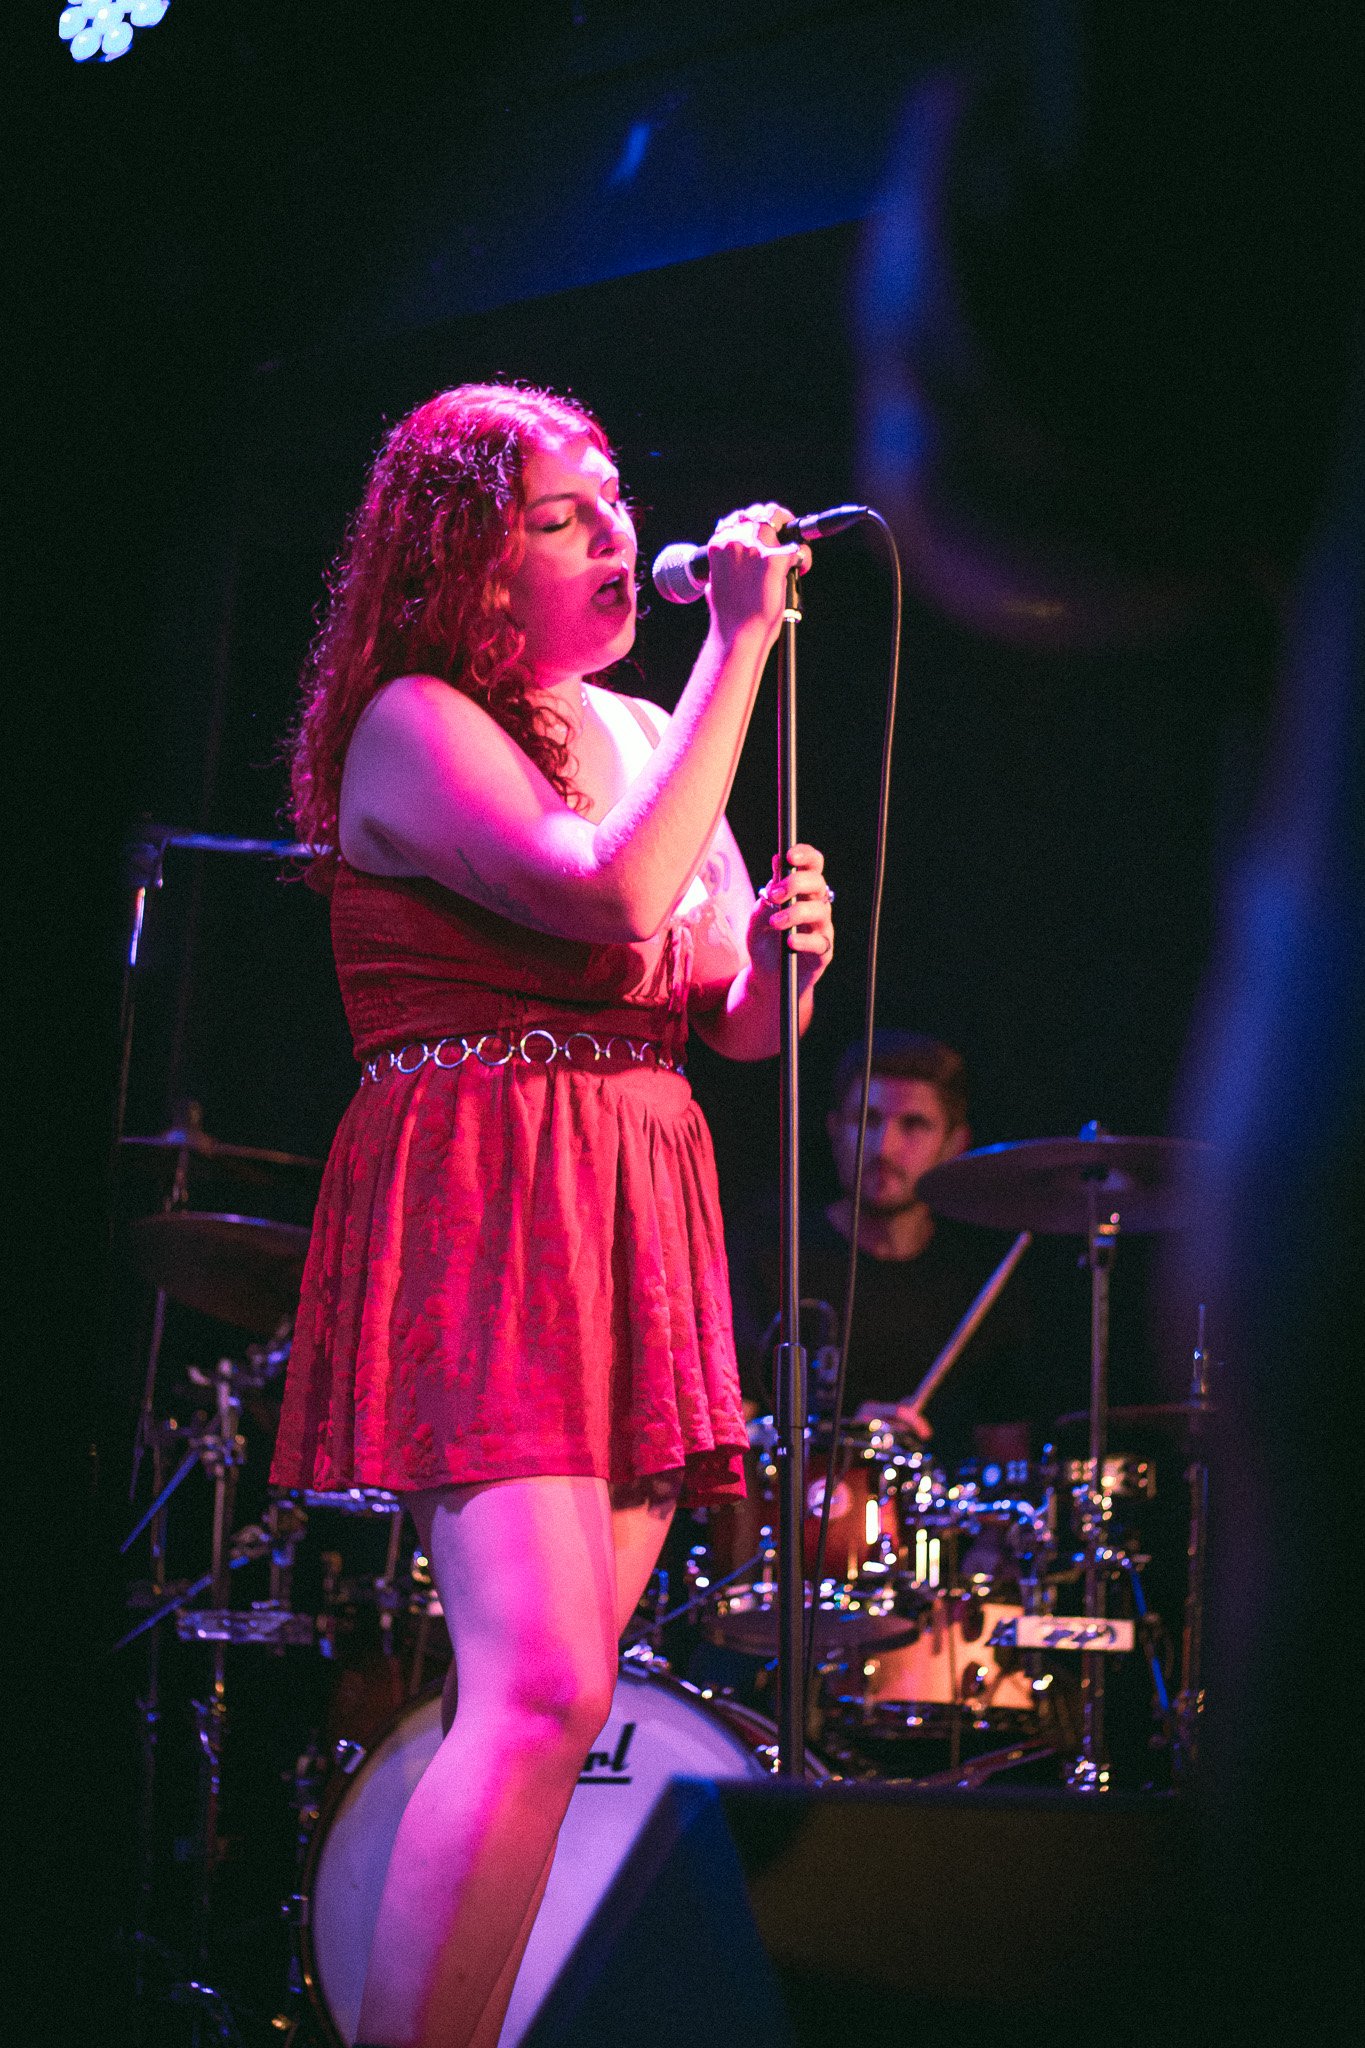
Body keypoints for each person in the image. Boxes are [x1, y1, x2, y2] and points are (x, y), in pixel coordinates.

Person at [268, 382, 835, 2048]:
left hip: (634, 1190)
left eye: (613, 500)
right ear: (469, 558)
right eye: (560, 514)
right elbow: (608, 889)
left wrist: (783, 968)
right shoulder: (415, 721)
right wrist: (743, 642)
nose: (614, 533)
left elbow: (727, 1016)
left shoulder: (652, 732)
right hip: (487, 1182)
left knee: (566, 1697)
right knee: (533, 1686)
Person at [732, 1030, 1039, 1465]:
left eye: (913, 1125)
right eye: (866, 1120)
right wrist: (846, 1439)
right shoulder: (773, 1258)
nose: (883, 1147)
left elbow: (1007, 1462)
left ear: (955, 1143)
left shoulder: (980, 1280)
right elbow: (729, 1439)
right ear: (835, 1130)